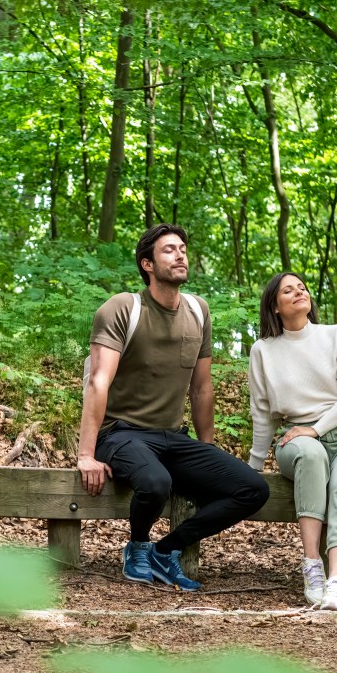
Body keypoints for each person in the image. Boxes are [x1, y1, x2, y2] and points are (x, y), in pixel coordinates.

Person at [77, 224, 270, 591]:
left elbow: (201, 387)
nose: (180, 254)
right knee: (156, 482)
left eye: (182, 248)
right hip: (120, 434)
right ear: (147, 264)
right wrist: (86, 453)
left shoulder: (198, 310)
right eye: (169, 250)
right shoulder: (122, 308)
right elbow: (97, 382)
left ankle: (166, 551)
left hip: (171, 438)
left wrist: (206, 445)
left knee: (252, 489)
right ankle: (136, 547)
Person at [246, 272, 337, 612]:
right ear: (275, 307)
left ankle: (336, 584)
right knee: (310, 454)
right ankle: (312, 568)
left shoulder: (336, 335)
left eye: (301, 288)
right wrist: (253, 467)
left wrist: (317, 428)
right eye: (287, 290)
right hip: (297, 439)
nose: (298, 292)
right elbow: (263, 413)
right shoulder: (263, 350)